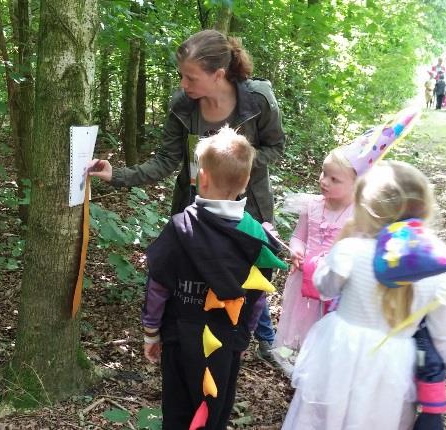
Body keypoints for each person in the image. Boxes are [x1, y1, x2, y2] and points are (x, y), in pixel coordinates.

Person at [88, 29, 286, 362]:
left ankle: (258, 342)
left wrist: (237, 167)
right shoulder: (183, 106)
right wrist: (116, 175)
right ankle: (189, 348)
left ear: (218, 75)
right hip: (197, 211)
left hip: (247, 208)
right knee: (195, 282)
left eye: (190, 77)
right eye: (182, 75)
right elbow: (166, 161)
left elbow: (275, 147)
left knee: (250, 278)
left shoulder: (258, 100)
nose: (184, 84)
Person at [281, 161, 446, 430]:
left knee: (320, 418)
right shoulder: (438, 272)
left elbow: (324, 288)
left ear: (366, 208)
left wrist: (339, 244)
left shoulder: (351, 251)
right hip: (393, 367)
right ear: (424, 209)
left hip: (339, 353)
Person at [142, 126, 286, 429]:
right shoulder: (255, 235)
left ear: (201, 178)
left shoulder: (180, 228)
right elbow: (258, 296)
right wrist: (244, 334)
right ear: (246, 182)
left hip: (180, 337)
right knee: (214, 410)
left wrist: (151, 332)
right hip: (227, 340)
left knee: (178, 409)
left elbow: (158, 284)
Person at [271, 147, 356, 374]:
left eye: (334, 179)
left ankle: (323, 367)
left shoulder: (356, 215)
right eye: (323, 173)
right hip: (305, 277)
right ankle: (302, 367)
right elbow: (299, 235)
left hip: (333, 283)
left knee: (325, 325)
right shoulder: (312, 206)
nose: (324, 181)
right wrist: (296, 251)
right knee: (301, 322)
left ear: (355, 184)